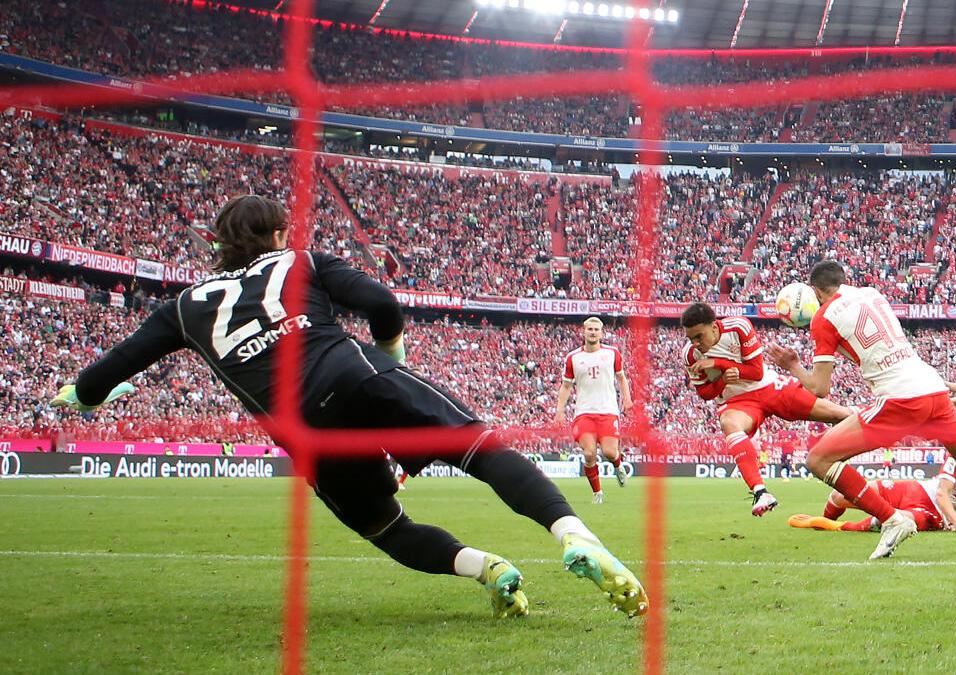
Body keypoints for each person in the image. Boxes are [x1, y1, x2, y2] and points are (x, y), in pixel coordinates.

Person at [49, 195, 647, 619]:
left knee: (386, 526)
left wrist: (83, 396)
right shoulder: (300, 261)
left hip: (305, 429)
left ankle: (486, 568)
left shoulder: (183, 308)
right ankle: (572, 534)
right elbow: (382, 302)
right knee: (480, 452)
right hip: (356, 374)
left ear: (219, 246)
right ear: (277, 236)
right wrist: (390, 357)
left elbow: (105, 374)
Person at [766, 260, 956, 560]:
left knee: (818, 459)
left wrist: (792, 365)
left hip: (900, 398)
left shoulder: (823, 318)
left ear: (816, 292)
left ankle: (893, 519)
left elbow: (819, 388)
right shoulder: (872, 294)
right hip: (932, 388)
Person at [681, 303, 850, 517]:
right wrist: (723, 380)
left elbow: (756, 373)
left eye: (699, 336)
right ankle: (761, 492)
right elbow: (705, 393)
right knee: (728, 423)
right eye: (691, 339)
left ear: (714, 327)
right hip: (738, 402)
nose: (696, 343)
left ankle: (881, 425)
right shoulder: (690, 354)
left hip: (769, 387)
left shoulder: (738, 327)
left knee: (838, 415)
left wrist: (719, 364)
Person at [789, 419, 956, 533]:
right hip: (917, 490)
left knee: (894, 521)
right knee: (839, 496)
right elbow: (942, 493)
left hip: (933, 515)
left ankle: (834, 527)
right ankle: (824, 523)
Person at [555, 317, 631, 504]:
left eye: (596, 329)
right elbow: (566, 386)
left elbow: (621, 378)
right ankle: (597, 493)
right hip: (584, 412)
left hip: (608, 411)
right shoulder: (573, 357)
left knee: (610, 452)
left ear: (601, 333)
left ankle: (618, 465)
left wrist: (627, 399)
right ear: (584, 332)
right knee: (589, 454)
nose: (593, 332)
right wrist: (560, 410)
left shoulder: (612, 353)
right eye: (590, 329)